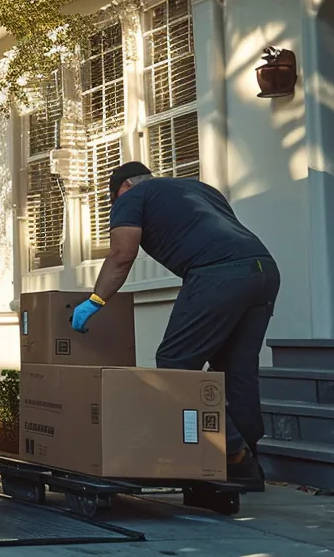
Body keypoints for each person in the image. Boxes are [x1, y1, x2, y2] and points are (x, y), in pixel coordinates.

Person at [72, 161, 280, 489]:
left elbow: (121, 255)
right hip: (263, 270)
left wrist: (96, 300)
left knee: (175, 362)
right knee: (236, 370)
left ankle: (235, 453)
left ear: (123, 188)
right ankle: (248, 465)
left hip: (219, 273)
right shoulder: (199, 189)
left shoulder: (131, 197)